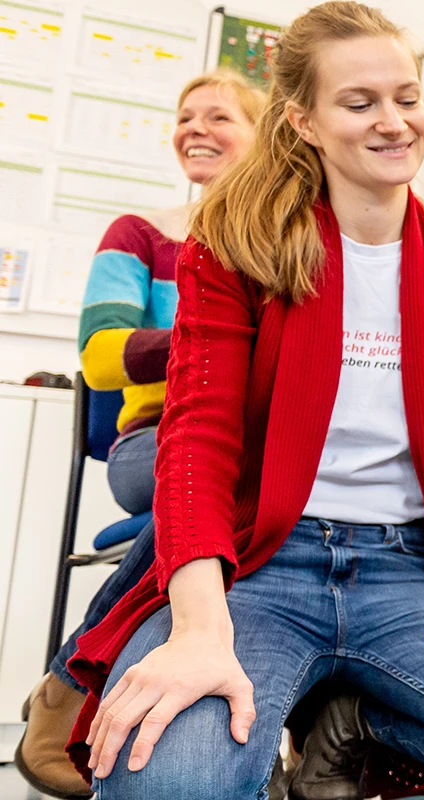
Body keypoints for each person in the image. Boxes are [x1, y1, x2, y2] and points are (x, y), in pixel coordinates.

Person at [62, 3, 424, 797]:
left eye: (406, 97)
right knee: (165, 781)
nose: (394, 122)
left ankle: (359, 723)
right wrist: (198, 625)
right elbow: (195, 440)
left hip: (416, 578)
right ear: (303, 121)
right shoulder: (237, 246)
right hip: (259, 565)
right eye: (360, 103)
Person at [15, 69, 265, 800]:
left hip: (244, 449)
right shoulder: (141, 236)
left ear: (265, 139)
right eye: (186, 117)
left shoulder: (278, 243)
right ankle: (71, 681)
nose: (195, 128)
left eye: (219, 117)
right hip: (149, 440)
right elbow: (101, 354)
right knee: (209, 492)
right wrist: (220, 338)